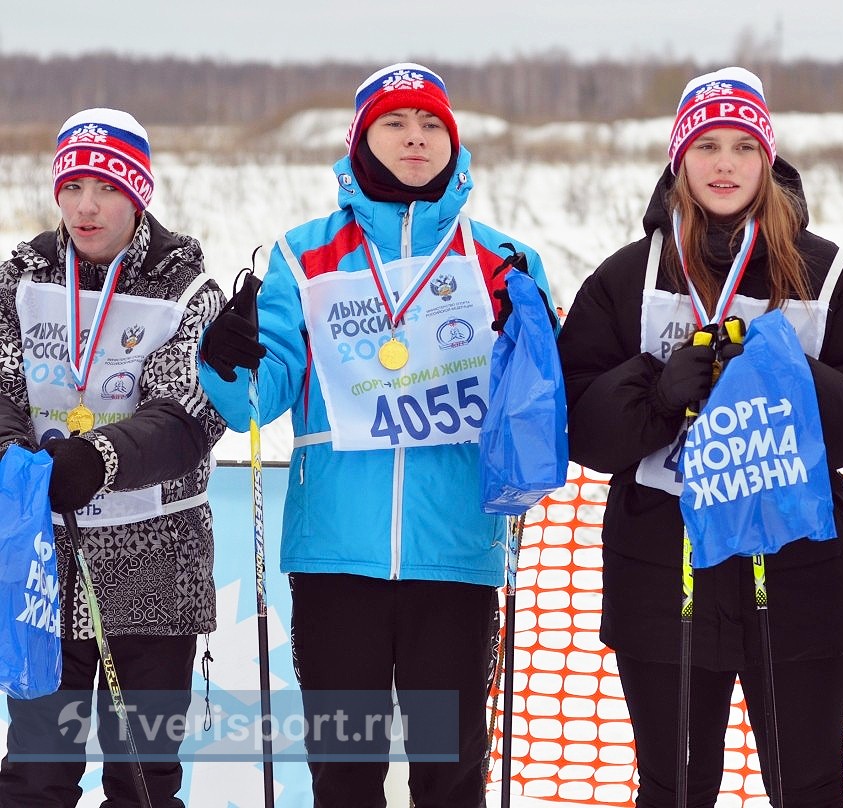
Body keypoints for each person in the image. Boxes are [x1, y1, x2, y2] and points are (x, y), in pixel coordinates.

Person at [195, 62, 556, 808]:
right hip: (336, 558)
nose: (416, 138)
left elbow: (538, 401)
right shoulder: (304, 254)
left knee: (449, 772)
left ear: (454, 145)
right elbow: (256, 405)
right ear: (361, 140)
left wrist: (536, 344)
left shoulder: (503, 257)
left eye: (432, 126)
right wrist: (227, 360)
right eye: (395, 123)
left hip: (456, 551)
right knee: (346, 770)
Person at [557, 67, 843, 808]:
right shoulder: (630, 276)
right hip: (665, 569)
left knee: (809, 783)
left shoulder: (824, 272)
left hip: (796, 568)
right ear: (678, 161)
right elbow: (575, 422)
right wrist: (656, 391)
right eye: (707, 146)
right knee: (676, 785)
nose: (725, 165)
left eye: (743, 147)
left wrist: (793, 380)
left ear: (768, 161)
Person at [0, 108, 225, 806]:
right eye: (72, 187)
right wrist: (12, 450)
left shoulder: (185, 288)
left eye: (106, 188)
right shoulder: (20, 279)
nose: (86, 206)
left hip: (156, 563)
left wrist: (97, 459)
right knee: (36, 773)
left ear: (138, 194)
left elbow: (189, 415)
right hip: (46, 561)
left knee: (142, 776)